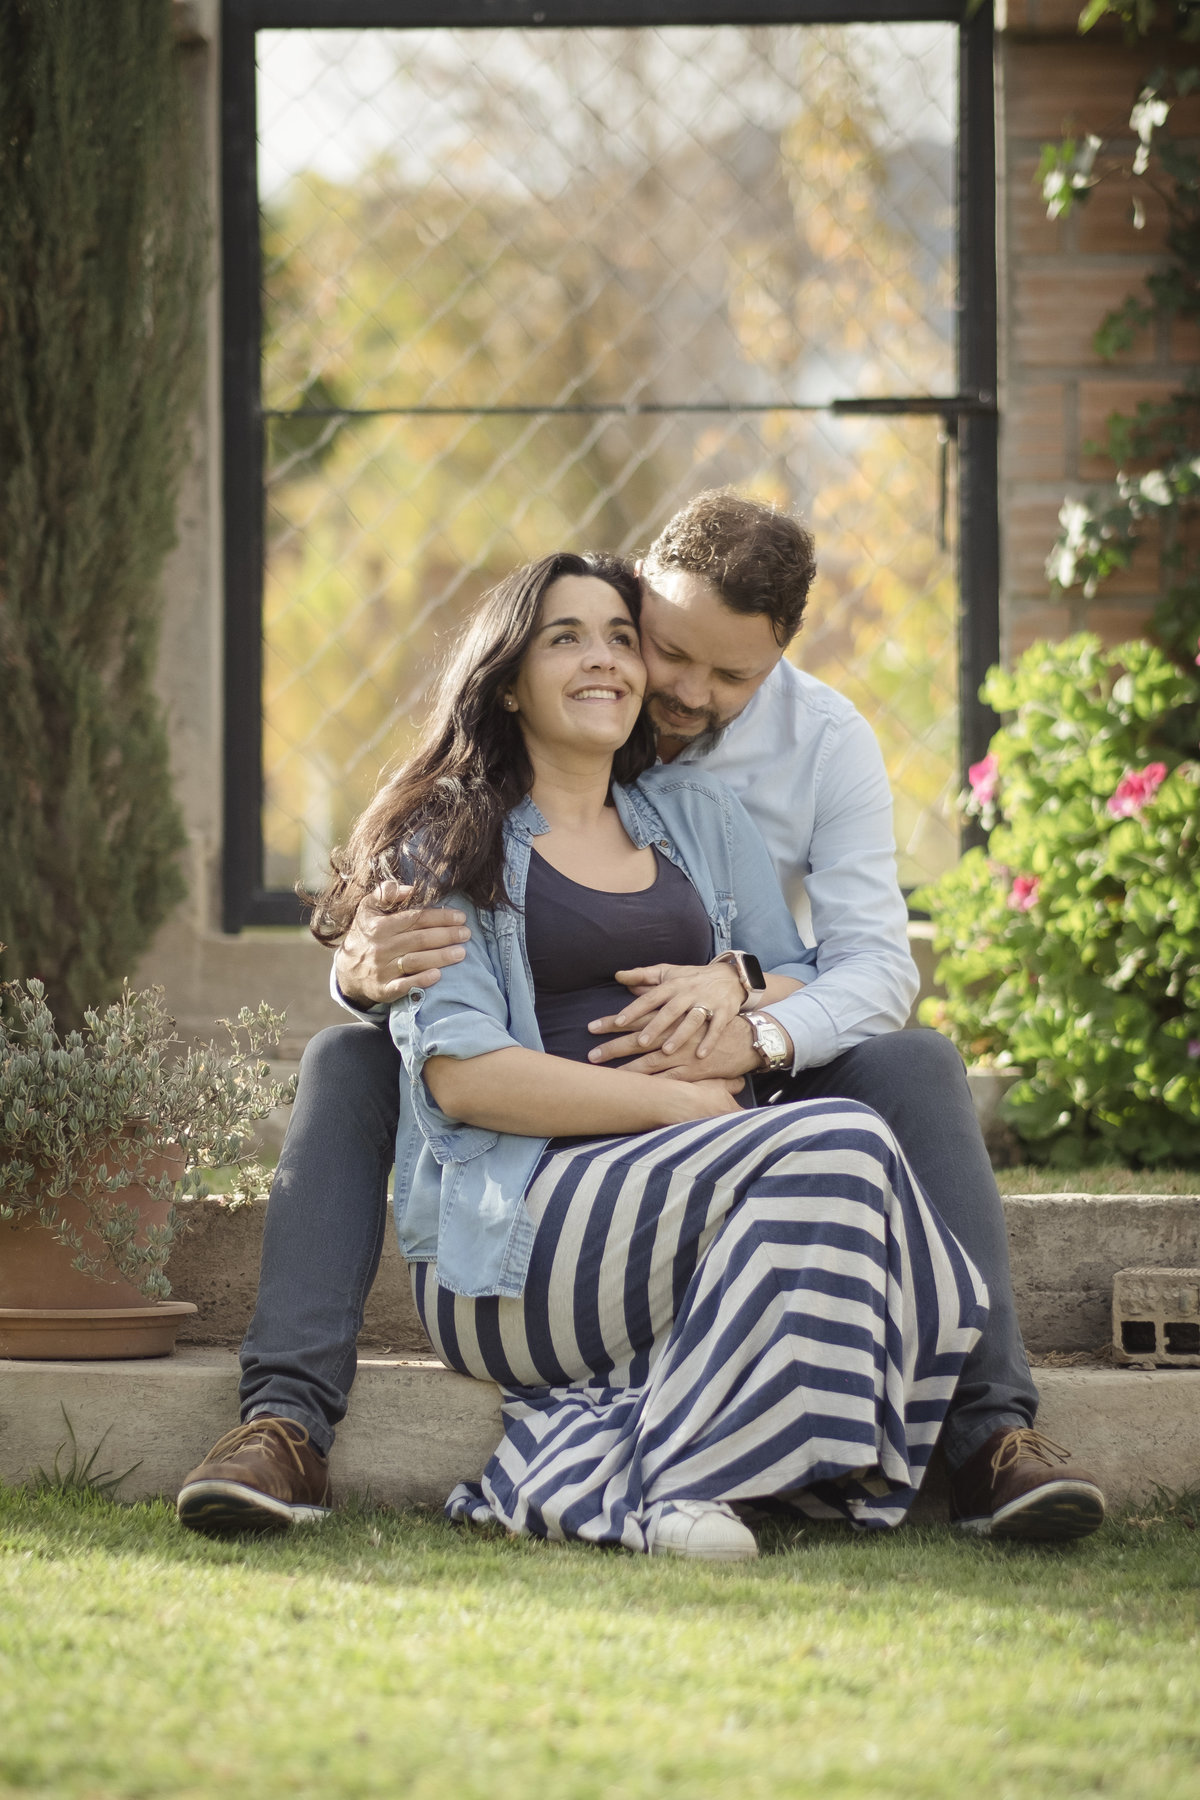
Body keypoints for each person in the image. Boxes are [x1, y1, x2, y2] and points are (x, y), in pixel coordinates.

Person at [177, 492, 1105, 1543]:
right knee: (349, 1057)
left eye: (726, 676)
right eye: (656, 647)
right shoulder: (462, 820)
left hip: (729, 1104)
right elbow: (459, 1049)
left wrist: (745, 992)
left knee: (914, 1068)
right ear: (520, 674)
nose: (676, 687)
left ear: (776, 660)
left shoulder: (779, 773)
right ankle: (284, 1421)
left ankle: (986, 1436)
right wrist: (365, 966)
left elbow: (858, 968)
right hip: (569, 1158)